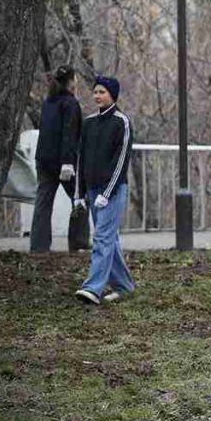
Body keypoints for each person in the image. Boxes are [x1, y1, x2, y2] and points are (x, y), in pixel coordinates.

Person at [73, 76, 134, 304]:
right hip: (91, 190)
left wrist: (107, 193)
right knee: (108, 239)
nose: (97, 96)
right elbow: (81, 159)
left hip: (113, 191)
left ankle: (92, 288)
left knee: (102, 238)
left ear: (112, 95)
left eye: (102, 92)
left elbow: (121, 162)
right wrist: (79, 194)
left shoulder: (122, 122)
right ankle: (124, 285)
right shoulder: (89, 123)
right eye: (95, 92)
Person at [30, 65, 90, 252]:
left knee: (43, 203)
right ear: (71, 81)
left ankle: (38, 247)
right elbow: (69, 134)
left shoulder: (49, 102)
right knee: (80, 198)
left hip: (44, 160)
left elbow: (47, 132)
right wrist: (67, 162)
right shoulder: (70, 103)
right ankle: (78, 242)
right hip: (63, 162)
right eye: (76, 79)